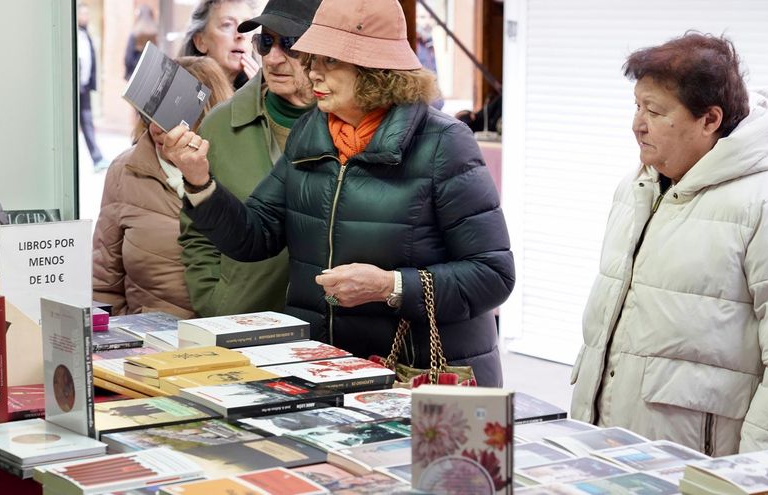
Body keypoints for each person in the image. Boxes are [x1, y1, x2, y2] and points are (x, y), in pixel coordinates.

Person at [165, 0, 515, 386]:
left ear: (375, 71)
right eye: (313, 59)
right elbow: (255, 236)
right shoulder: (311, 132)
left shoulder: (444, 143)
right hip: (328, 371)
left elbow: (493, 275)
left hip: (417, 378)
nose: (312, 71)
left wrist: (390, 286)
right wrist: (200, 182)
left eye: (329, 62)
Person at [570, 32, 768, 455]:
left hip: (700, 463)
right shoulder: (636, 185)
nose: (637, 123)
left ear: (710, 120)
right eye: (637, 106)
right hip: (609, 450)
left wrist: (755, 475)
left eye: (654, 111)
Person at [178, 0, 320, 317]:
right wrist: (216, 301)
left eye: (291, 44)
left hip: (329, 335)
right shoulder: (220, 124)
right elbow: (197, 233)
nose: (272, 57)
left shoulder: (344, 126)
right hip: (242, 326)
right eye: (265, 42)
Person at [92, 57, 233, 319]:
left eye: (172, 116)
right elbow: (104, 284)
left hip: (226, 337)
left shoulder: (238, 168)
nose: (157, 128)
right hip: (149, 343)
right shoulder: (125, 171)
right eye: (150, 113)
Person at [181, 0, 259, 90]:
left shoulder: (264, 91)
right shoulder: (184, 93)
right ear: (200, 42)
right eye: (227, 25)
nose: (241, 35)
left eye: (247, 26)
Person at [76, 2, 107, 171]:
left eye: (87, 14)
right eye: (82, 14)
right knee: (83, 123)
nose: (85, 17)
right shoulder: (74, 35)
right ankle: (97, 158)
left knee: (87, 122)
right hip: (75, 88)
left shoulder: (86, 35)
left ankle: (97, 158)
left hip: (84, 87)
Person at [124, 5, 158, 81]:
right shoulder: (155, 35)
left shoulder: (134, 34)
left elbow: (128, 59)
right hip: (151, 76)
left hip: (135, 75)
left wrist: (128, 72)